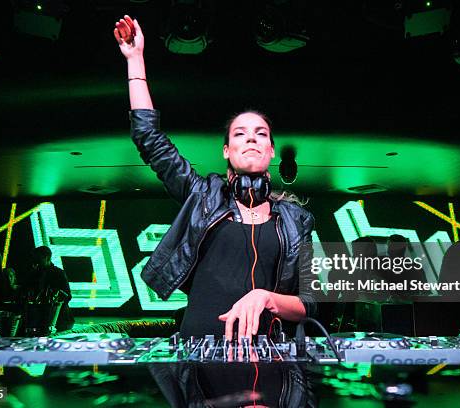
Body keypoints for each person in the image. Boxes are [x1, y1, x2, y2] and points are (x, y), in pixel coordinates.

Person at [114, 15, 316, 343]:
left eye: (260, 133)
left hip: (268, 353)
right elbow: (149, 137)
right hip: (200, 345)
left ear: (271, 151)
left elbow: (309, 304)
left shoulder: (297, 220)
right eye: (240, 133)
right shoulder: (202, 195)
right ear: (226, 150)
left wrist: (266, 297)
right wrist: (135, 60)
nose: (251, 138)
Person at [18, 246, 74, 332]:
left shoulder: (58, 273)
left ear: (46, 258)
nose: (35, 261)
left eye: (38, 258)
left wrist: (54, 294)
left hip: (59, 319)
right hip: (41, 319)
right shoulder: (34, 273)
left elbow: (68, 296)